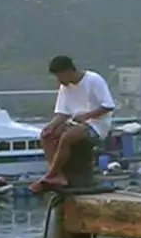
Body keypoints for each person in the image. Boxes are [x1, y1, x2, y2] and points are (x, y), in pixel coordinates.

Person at [33, 57, 116, 192]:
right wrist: (51, 126)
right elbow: (62, 113)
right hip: (76, 124)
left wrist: (86, 116)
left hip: (97, 125)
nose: (59, 80)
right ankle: (58, 175)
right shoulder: (64, 88)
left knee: (67, 137)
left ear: (69, 71)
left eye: (60, 76)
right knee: (46, 136)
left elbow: (108, 106)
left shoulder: (93, 80)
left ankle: (50, 174)